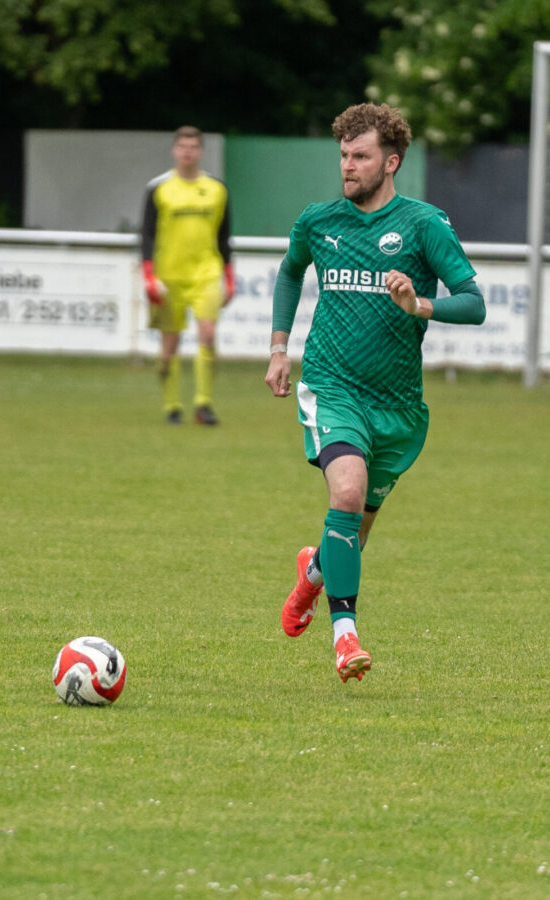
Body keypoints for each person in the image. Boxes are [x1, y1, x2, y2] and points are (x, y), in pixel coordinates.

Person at [264, 103, 486, 682]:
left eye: (360, 156)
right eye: (343, 155)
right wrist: (279, 347)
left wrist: (420, 304)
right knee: (347, 492)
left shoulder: (423, 224)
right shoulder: (319, 222)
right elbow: (290, 271)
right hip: (332, 387)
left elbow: (474, 303)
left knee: (352, 534)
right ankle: (346, 638)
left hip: (398, 408)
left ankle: (313, 575)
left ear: (391, 162)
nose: (347, 166)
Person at [140, 126, 235, 425]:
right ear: (174, 150)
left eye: (193, 147)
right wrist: (149, 276)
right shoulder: (159, 188)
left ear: (201, 151)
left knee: (208, 334)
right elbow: (147, 235)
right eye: (183, 146)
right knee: (169, 347)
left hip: (206, 273)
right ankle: (172, 406)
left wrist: (229, 278)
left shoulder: (217, 189)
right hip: (169, 277)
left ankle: (203, 404)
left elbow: (224, 237)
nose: (188, 152)